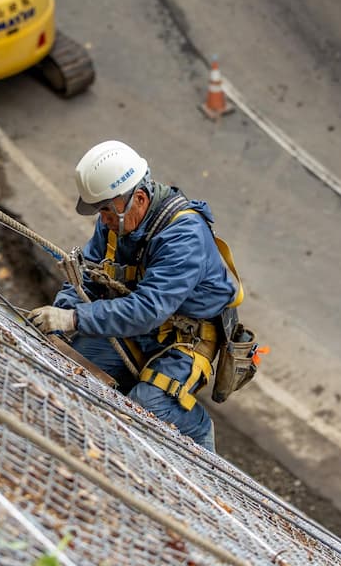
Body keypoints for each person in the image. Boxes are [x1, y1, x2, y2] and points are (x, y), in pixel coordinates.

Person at [27, 141, 238, 452]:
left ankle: (196, 429)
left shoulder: (183, 236)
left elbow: (148, 310)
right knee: (70, 364)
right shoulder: (114, 222)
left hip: (184, 340)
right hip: (138, 326)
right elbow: (87, 275)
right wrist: (61, 318)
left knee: (142, 410)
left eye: (106, 210)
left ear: (139, 198)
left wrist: (74, 318)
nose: (103, 220)